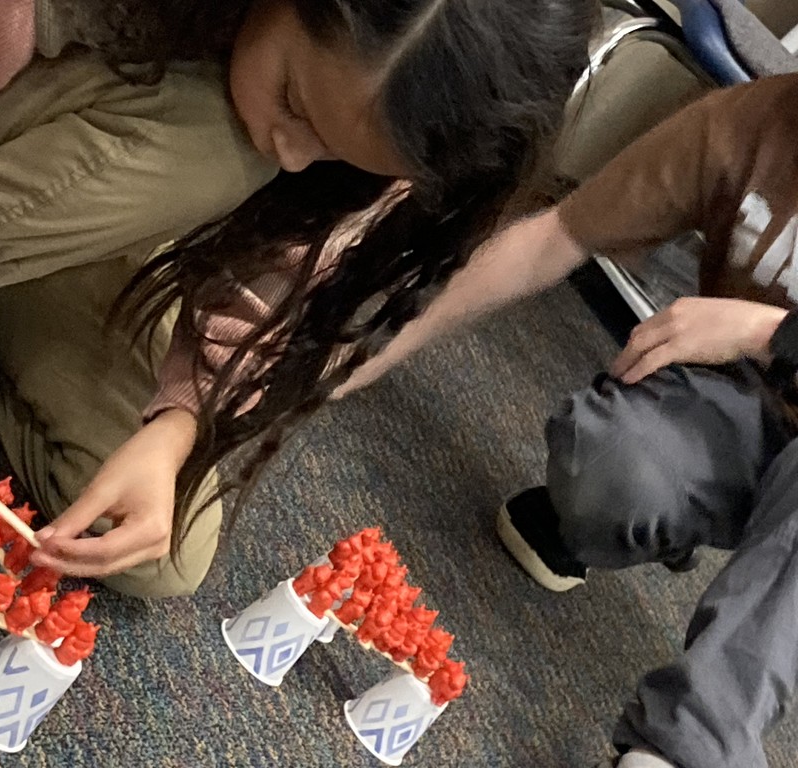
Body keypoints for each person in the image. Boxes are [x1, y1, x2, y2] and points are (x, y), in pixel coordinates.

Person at [0, 0, 595, 595]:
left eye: (344, 158)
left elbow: (262, 302)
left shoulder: (379, 130)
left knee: (158, 554)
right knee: (227, 146)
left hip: (59, 223)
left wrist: (174, 428)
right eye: (295, 105)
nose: (298, 156)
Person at [338, 74, 798, 768]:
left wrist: (775, 333)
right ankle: (601, 516)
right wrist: (358, 349)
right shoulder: (761, 118)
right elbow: (557, 234)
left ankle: (684, 749)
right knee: (614, 466)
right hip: (748, 406)